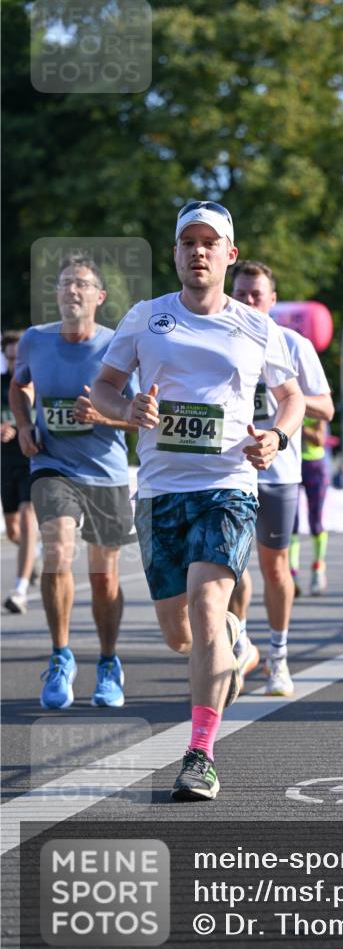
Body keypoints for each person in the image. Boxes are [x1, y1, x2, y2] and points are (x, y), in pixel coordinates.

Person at [91, 201, 304, 801]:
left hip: (229, 487)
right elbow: (105, 390)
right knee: (178, 634)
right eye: (189, 242)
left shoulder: (258, 327)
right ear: (176, 252)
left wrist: (277, 435)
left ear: (229, 254)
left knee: (208, 607)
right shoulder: (145, 317)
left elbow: (291, 399)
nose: (199, 251)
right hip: (159, 490)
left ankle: (200, 755)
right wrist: (126, 410)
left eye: (211, 242)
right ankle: (236, 641)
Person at [9, 254, 137, 709]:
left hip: (105, 472)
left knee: (103, 578)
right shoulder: (35, 342)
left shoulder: (118, 346)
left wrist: (103, 414)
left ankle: (107, 662)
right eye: (64, 284)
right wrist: (23, 424)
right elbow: (19, 387)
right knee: (58, 549)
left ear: (99, 297)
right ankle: (61, 655)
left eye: (81, 284)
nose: (71, 291)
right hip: (52, 464)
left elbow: (141, 417)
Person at [228, 260, 333, 695]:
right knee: (228, 567)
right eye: (243, 294)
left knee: (273, 568)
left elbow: (325, 408)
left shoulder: (293, 344)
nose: (250, 302)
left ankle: (279, 657)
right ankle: (240, 642)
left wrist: (286, 396)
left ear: (273, 301)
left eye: (258, 295)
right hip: (228, 471)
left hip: (278, 473)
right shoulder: (221, 339)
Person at [2, 330, 40, 613]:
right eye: (11, 358)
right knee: (14, 529)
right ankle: (33, 554)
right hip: (7, 464)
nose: (16, 363)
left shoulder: (40, 383)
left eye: (20, 357)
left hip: (34, 461)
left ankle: (20, 589)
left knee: (28, 520)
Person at [289, 415, 331, 594]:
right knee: (292, 524)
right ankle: (292, 575)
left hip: (314, 466)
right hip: (291, 465)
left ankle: (318, 568)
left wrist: (297, 425)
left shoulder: (314, 405)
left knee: (316, 522)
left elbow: (319, 440)